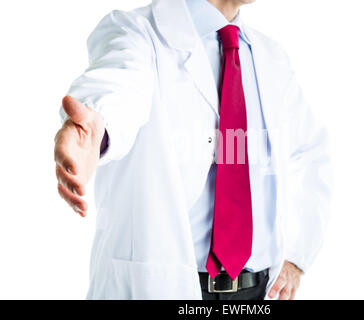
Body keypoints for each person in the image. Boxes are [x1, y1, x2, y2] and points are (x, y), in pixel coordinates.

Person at [54, 0, 332, 300]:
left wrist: (296, 256)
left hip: (257, 290)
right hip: (163, 287)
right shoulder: (138, 32)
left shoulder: (270, 56)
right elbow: (118, 85)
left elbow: (309, 150)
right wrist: (96, 127)